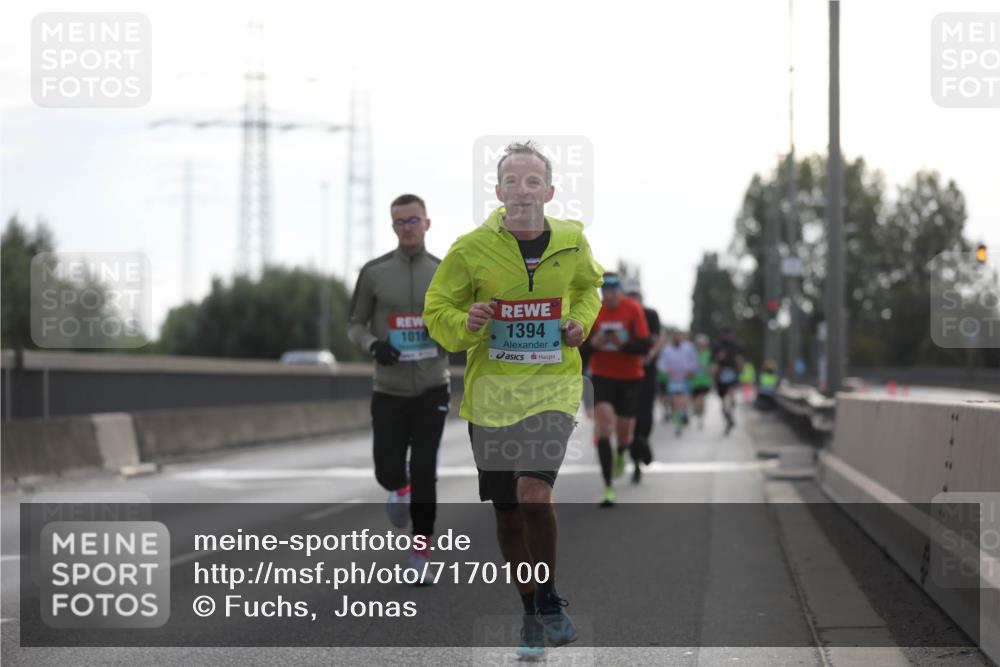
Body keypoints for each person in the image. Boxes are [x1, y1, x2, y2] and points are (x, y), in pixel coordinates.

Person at [424, 141, 604, 659]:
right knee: (507, 516)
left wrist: (579, 324)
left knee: (533, 495)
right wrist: (467, 321)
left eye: (532, 182)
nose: (522, 189)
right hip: (492, 397)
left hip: (553, 387)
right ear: (498, 190)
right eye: (512, 181)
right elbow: (438, 311)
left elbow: (590, 289)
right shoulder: (469, 248)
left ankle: (548, 598)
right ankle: (529, 609)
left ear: (548, 191)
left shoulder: (571, 241)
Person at [347, 194, 451, 582]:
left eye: (413, 220)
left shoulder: (444, 272)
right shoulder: (374, 273)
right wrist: (375, 346)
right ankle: (398, 485)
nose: (407, 227)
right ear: (393, 227)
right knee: (388, 470)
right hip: (388, 389)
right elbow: (354, 325)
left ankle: (421, 553)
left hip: (432, 388)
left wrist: (448, 338)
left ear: (427, 223)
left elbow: (458, 320)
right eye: (399, 222)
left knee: (426, 471)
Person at [584, 272, 651, 505]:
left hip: (630, 378)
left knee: (624, 434)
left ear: (619, 290)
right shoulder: (594, 310)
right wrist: (594, 343)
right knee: (604, 426)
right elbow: (581, 349)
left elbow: (644, 346)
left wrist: (623, 344)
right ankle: (608, 487)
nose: (609, 295)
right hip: (602, 376)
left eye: (613, 289)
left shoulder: (632, 309)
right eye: (604, 290)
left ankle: (622, 452)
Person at [624, 278, 663, 483]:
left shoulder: (650, 314)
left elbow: (657, 338)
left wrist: (650, 355)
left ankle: (643, 442)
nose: (633, 299)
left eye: (635, 296)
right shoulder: (622, 315)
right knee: (629, 418)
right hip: (625, 373)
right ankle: (635, 459)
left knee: (645, 417)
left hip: (646, 372)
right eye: (629, 296)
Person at [656, 330, 696, 437]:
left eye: (679, 336)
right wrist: (666, 369)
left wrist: (690, 370)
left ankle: (682, 417)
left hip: (685, 380)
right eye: (675, 336)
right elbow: (661, 364)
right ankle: (678, 424)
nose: (677, 338)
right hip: (673, 380)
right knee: (675, 402)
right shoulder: (667, 349)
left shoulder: (688, 348)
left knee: (683, 402)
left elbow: (694, 361)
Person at [712, 326, 744, 435]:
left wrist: (739, 370)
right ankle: (728, 416)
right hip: (721, 375)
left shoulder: (736, 346)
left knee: (729, 396)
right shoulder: (717, 346)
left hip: (732, 374)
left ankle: (729, 412)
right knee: (723, 401)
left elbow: (740, 360)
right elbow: (713, 361)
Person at [689, 334, 714, 429]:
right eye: (699, 343)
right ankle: (697, 412)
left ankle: (701, 418)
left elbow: (713, 367)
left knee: (701, 399)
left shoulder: (709, 353)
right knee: (695, 401)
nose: (701, 345)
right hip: (694, 381)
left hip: (704, 381)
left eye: (703, 343)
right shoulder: (693, 353)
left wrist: (709, 369)